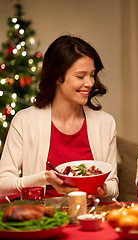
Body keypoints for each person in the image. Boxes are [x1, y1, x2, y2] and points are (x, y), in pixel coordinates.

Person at [0, 35, 119, 201]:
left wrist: (103, 189)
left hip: (90, 217)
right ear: (57, 77)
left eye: (92, 75)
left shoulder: (105, 123)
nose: (90, 83)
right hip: (44, 220)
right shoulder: (24, 121)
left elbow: (113, 184)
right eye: (80, 76)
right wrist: (44, 178)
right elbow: (2, 187)